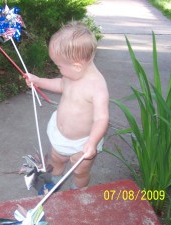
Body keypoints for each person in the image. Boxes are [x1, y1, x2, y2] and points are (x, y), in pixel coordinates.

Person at [26, 21, 109, 189]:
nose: (59, 70)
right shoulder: (73, 75)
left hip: (83, 143)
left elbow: (101, 118)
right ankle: (52, 188)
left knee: (79, 171)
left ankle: (77, 193)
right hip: (60, 136)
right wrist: (39, 81)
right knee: (55, 161)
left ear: (77, 66)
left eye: (59, 66)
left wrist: (92, 143)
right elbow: (61, 85)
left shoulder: (97, 87)